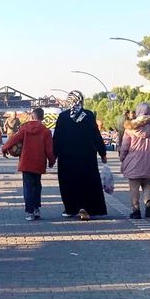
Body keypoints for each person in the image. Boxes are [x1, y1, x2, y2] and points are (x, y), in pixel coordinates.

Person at [53, 90, 108, 221]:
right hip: (87, 157)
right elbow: (96, 136)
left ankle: (71, 208)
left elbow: (57, 139)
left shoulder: (63, 117)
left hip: (67, 158)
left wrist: (52, 156)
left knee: (69, 183)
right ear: (81, 100)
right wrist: (102, 153)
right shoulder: (88, 115)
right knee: (87, 182)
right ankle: (87, 207)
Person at [2, 108, 54, 221]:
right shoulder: (46, 131)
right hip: (39, 162)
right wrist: (51, 161)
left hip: (26, 162)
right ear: (42, 117)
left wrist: (4, 148)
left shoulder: (24, 128)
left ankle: (29, 212)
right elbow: (49, 149)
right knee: (37, 186)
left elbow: (13, 139)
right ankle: (36, 209)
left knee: (28, 187)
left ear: (32, 116)